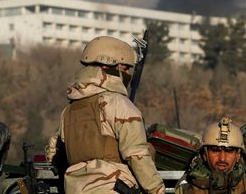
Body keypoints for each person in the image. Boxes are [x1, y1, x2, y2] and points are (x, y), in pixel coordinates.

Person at [46, 36, 165, 194]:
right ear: (107, 66)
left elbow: (53, 154)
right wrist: (157, 190)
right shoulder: (118, 104)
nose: (128, 74)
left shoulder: (68, 111)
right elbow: (137, 155)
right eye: (125, 68)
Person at [175, 116, 246, 194]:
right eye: (215, 150)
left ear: (238, 155)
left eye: (229, 151)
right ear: (205, 154)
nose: (222, 158)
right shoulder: (186, 188)